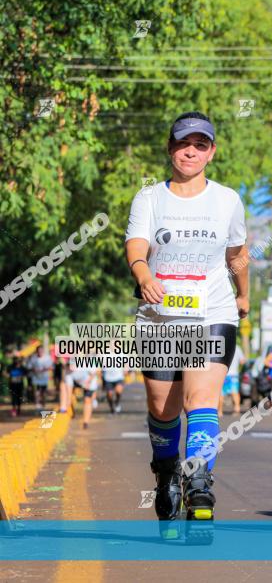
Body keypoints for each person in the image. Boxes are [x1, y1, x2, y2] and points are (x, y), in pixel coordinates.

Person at [125, 111, 249, 527]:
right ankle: (166, 472)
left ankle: (199, 481)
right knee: (164, 409)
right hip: (159, 318)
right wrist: (143, 275)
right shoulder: (150, 198)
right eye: (183, 143)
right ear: (170, 148)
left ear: (211, 152)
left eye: (200, 144)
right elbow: (137, 245)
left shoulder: (228, 199)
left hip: (212, 312)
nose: (190, 151)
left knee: (201, 400)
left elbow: (237, 255)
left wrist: (244, 293)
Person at [67, 363, 98, 429]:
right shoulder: (68, 374)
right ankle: (73, 412)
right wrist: (69, 400)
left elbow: (93, 374)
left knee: (87, 400)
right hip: (78, 383)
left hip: (90, 381)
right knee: (70, 398)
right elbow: (69, 388)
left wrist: (88, 382)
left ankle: (85, 422)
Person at [219, 343, 244, 417]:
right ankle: (237, 408)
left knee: (221, 393)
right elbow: (242, 361)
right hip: (234, 374)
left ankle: (219, 411)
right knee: (235, 392)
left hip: (223, 374)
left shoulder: (221, 346)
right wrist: (239, 368)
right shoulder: (237, 348)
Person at [27, 346, 53, 410]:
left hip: (44, 377)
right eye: (38, 351)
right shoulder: (33, 358)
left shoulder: (47, 358)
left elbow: (51, 367)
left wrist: (44, 369)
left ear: (43, 351)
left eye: (41, 351)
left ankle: (43, 404)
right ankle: (38, 405)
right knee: (37, 391)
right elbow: (29, 367)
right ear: (37, 351)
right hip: (36, 377)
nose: (40, 352)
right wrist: (34, 369)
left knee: (43, 392)